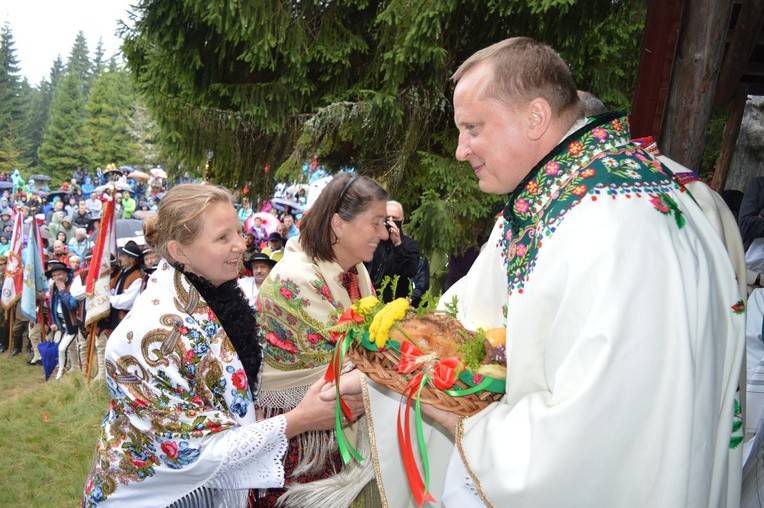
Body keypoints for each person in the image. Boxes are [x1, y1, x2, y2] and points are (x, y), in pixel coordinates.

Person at [363, 37, 744, 507]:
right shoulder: (560, 194)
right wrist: (379, 365)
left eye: (473, 128)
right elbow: (470, 313)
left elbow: (599, 426)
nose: (461, 150)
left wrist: (468, 426)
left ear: (536, 117)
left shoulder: (609, 221)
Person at [82, 183, 361, 507]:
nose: (240, 245)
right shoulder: (149, 335)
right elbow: (190, 453)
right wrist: (301, 419)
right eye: (222, 238)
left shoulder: (219, 294)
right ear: (178, 251)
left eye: (238, 233)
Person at [256, 173, 388, 507]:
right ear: (338, 224)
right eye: (375, 222)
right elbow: (353, 365)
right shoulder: (296, 280)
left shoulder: (354, 269)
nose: (383, 233)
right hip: (303, 449)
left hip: (331, 438)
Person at [366, 200, 421, 302]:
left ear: (402, 221)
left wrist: (398, 244)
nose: (390, 221)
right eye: (387, 218)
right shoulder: (373, 240)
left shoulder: (410, 245)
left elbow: (410, 271)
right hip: (368, 297)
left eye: (395, 218)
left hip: (394, 301)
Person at [46, 261, 80, 380]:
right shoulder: (54, 287)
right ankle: (75, 367)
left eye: (59, 274)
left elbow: (72, 304)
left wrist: (62, 291)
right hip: (62, 322)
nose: (57, 278)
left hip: (74, 323)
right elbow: (53, 305)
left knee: (62, 348)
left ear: (66, 274)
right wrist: (54, 322)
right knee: (72, 347)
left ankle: (61, 372)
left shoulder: (73, 285)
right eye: (54, 276)